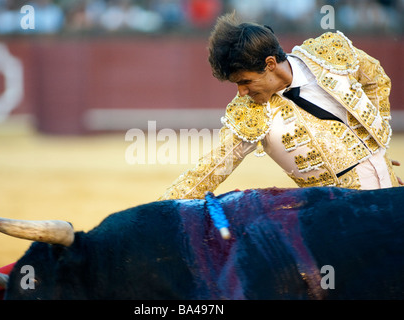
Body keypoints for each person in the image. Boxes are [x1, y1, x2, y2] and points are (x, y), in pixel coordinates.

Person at [158, 12, 401, 200]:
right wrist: (158, 214)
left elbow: (375, 78)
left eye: (245, 81)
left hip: (391, 193)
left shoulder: (328, 54)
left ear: (270, 63)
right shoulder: (248, 113)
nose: (241, 91)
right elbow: (208, 172)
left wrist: (376, 145)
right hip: (337, 225)